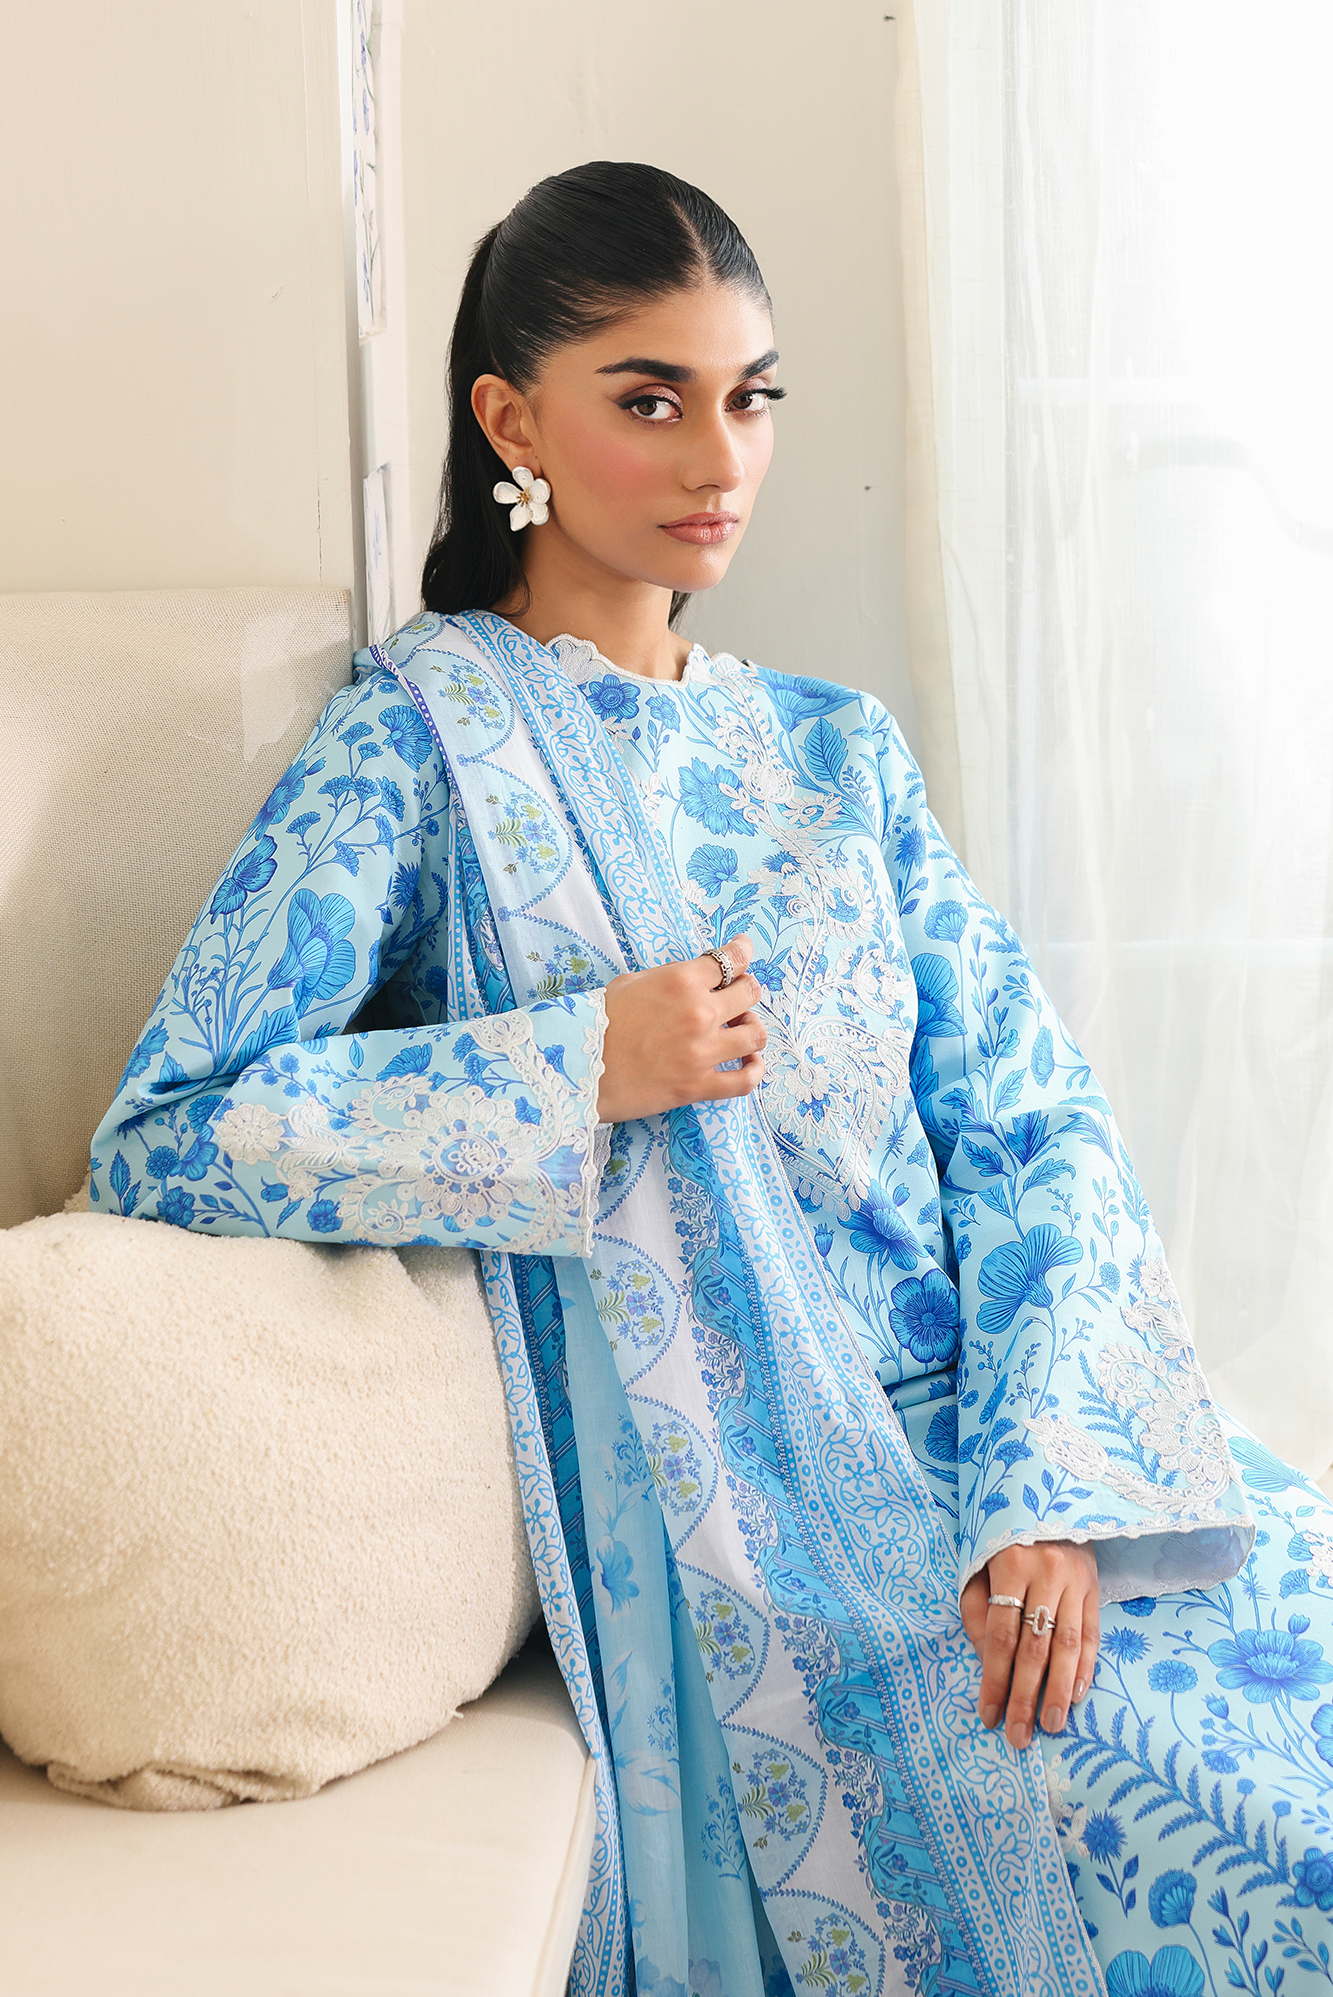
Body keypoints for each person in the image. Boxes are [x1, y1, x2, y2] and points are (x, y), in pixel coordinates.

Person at [92, 162, 1333, 1997]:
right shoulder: (420, 744)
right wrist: (572, 1065)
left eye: (749, 398)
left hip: (1020, 1472)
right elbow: (172, 1129)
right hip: (783, 1532)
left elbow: (1035, 1126)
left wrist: (1054, 1493)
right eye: (651, 400)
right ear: (511, 420)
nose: (721, 458)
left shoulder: (837, 751)